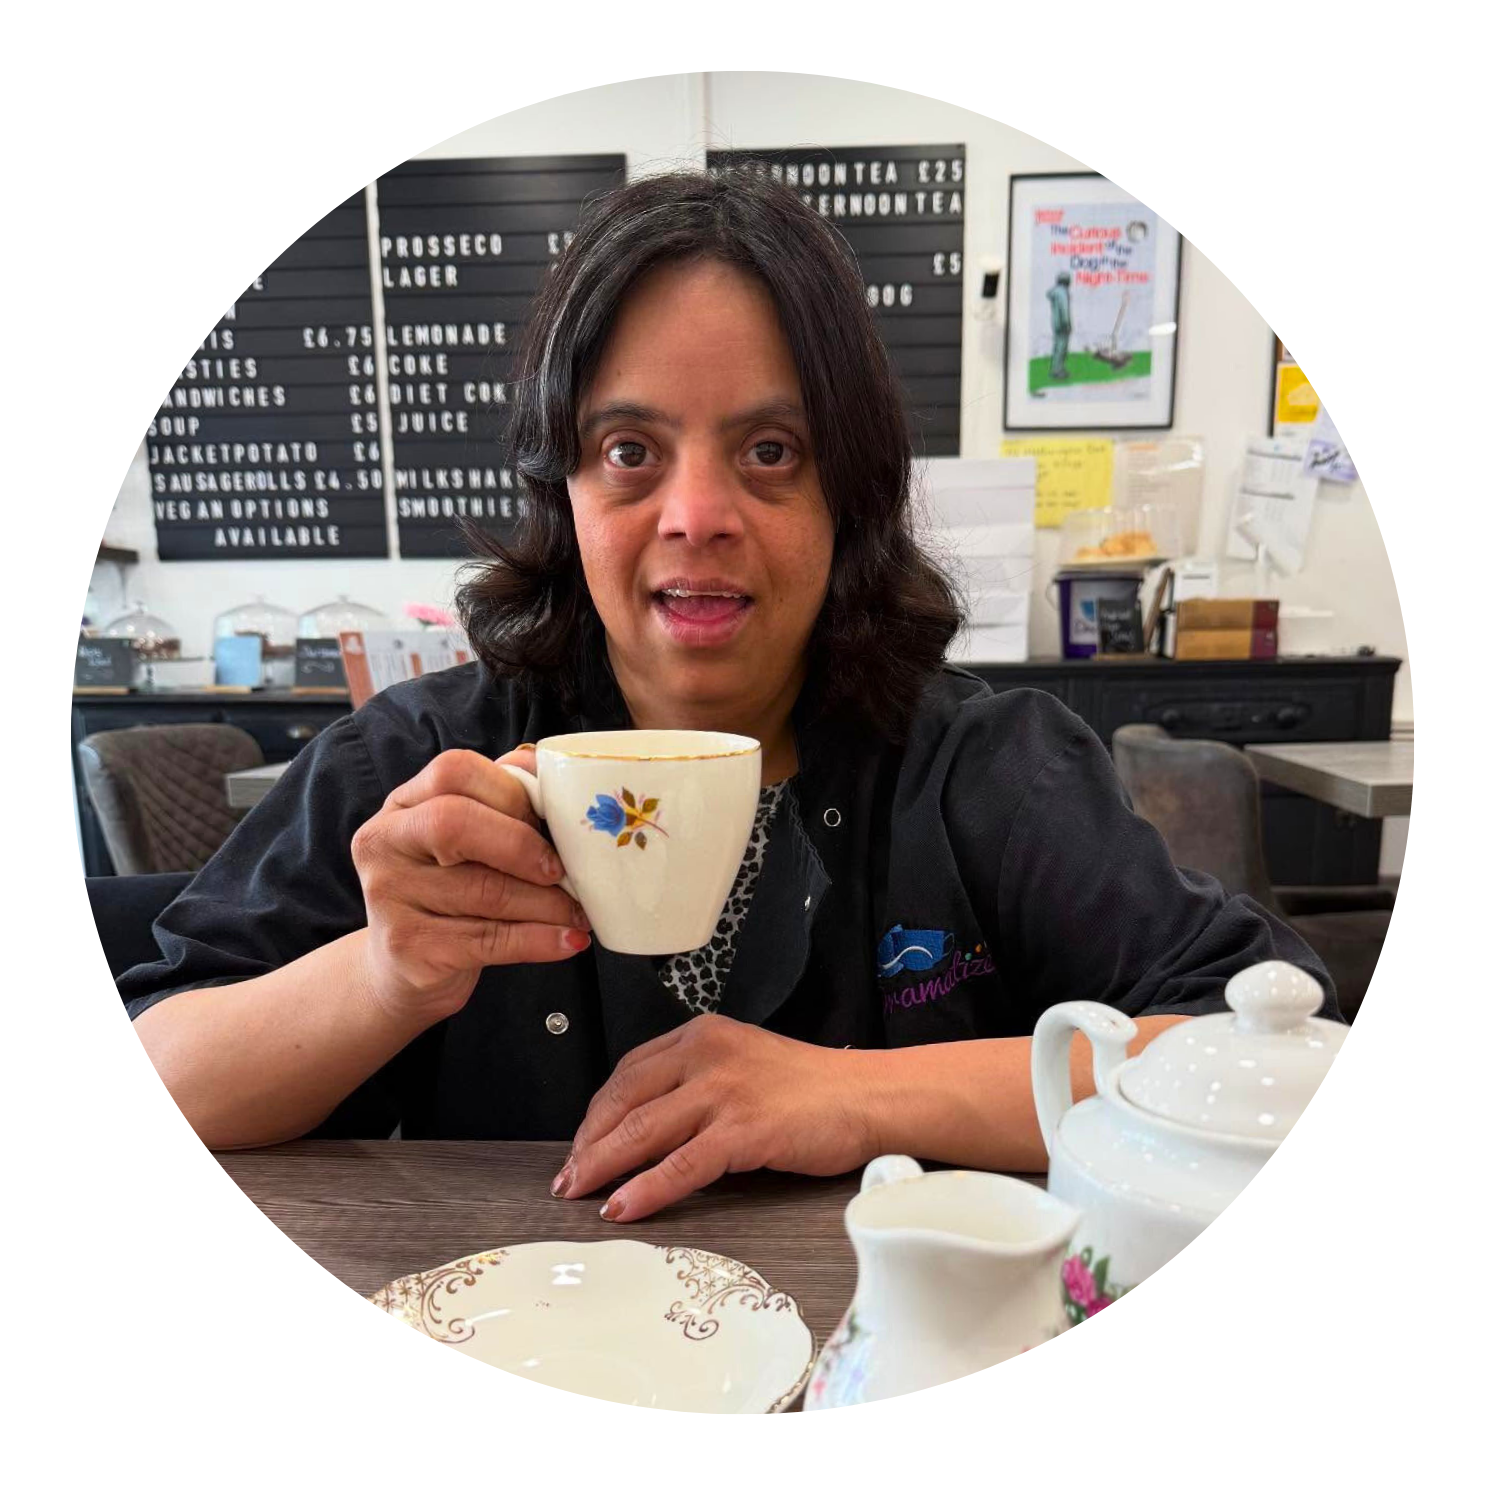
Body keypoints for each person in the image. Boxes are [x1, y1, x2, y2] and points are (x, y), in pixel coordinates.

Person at [122, 170, 1337, 1224]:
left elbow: (1267, 1046)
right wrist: (386, 975)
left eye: (770, 452)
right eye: (630, 452)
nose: (697, 515)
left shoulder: (984, 766)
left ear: (848, 495)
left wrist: (852, 1094)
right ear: (563, 491)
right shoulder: (422, 759)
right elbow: (171, 1059)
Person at [1048, 270, 1073, 380]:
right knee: (1062, 348)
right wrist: (1067, 324)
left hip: (1055, 323)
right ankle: (1058, 371)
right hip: (1063, 324)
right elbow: (1064, 309)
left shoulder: (1055, 292)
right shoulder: (1063, 293)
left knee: (1056, 347)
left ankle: (1055, 369)